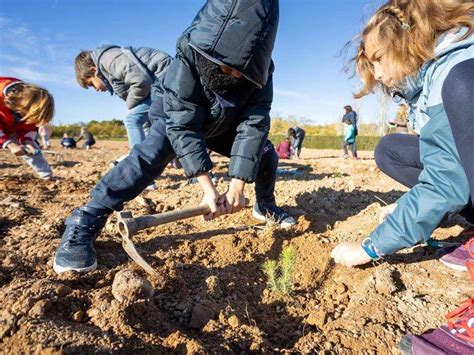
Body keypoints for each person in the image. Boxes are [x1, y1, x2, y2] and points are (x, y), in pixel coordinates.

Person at [53, 0, 295, 274]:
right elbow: (184, 126)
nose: (234, 75)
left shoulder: (262, 71)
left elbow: (254, 124)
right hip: (176, 116)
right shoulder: (189, 53)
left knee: (266, 153)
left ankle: (265, 205)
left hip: (222, 124)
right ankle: (85, 220)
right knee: (151, 155)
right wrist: (208, 188)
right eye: (226, 67)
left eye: (242, 72)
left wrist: (237, 187)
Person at [331, 0, 474, 268]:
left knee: (461, 86)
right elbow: (444, 159)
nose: (379, 74)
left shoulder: (459, 72)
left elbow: (445, 184)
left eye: (379, 59)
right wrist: (412, 204)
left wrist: (371, 247)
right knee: (389, 150)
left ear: (407, 39)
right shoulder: (430, 77)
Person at [0, 77, 55, 180]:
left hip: (10, 125)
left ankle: (47, 176)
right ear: (22, 106)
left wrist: (28, 142)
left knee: (32, 148)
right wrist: (10, 144)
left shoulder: (25, 100)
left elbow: (28, 126)